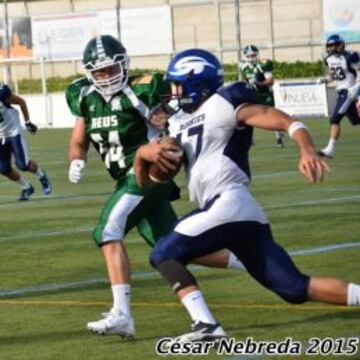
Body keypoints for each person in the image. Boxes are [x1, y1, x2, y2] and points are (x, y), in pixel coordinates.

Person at [134, 48, 360, 342]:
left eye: (178, 84)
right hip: (239, 213)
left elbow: (285, 121)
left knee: (163, 252)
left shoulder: (224, 103)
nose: (173, 92)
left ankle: (207, 326)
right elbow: (149, 184)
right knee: (293, 288)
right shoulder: (177, 123)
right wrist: (142, 156)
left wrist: (305, 149)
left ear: (195, 81)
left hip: (227, 201)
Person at [66, 35, 245, 338]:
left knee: (107, 230)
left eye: (111, 69)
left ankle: (121, 313)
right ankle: (247, 262)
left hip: (147, 175)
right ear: (89, 74)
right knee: (172, 247)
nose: (106, 76)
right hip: (126, 179)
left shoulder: (143, 88)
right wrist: (76, 159)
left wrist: (163, 124)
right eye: (99, 72)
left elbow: (176, 117)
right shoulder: (83, 95)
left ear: (123, 64)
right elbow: (78, 139)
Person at [0, 83, 52, 201]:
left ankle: (42, 175)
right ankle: (27, 187)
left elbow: (21, 102)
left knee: (23, 165)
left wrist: (27, 122)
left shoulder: (2, 92)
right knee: (4, 169)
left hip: (14, 132)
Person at [318, 34, 360, 159]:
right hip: (341, 92)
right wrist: (325, 79)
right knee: (356, 121)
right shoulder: (328, 59)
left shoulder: (350, 56)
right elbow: (334, 74)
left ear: (341, 44)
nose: (333, 48)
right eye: (330, 46)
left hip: (349, 92)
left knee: (334, 119)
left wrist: (357, 87)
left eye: (335, 45)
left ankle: (330, 149)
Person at [240, 44, 285, 147]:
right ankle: (250, 139)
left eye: (253, 55)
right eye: (249, 56)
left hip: (265, 94)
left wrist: (259, 83)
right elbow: (243, 80)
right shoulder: (244, 67)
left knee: (271, 116)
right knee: (249, 117)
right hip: (252, 95)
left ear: (257, 55)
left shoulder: (263, 65)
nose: (251, 58)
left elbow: (270, 81)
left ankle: (278, 137)